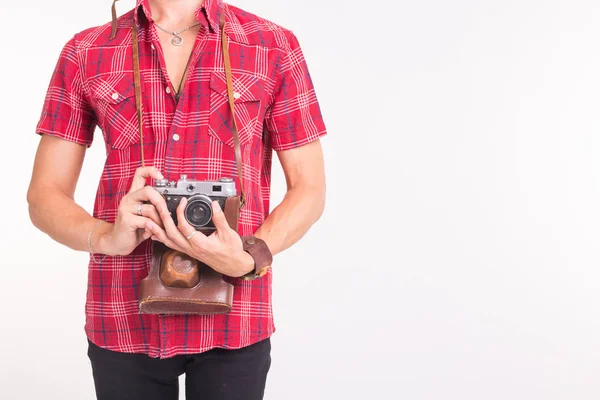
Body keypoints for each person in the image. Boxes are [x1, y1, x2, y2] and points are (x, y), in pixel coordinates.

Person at [26, 0, 327, 398]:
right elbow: (44, 194)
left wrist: (250, 256)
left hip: (235, 312)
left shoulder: (272, 45)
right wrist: (104, 237)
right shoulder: (86, 51)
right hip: (123, 309)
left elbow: (309, 186)